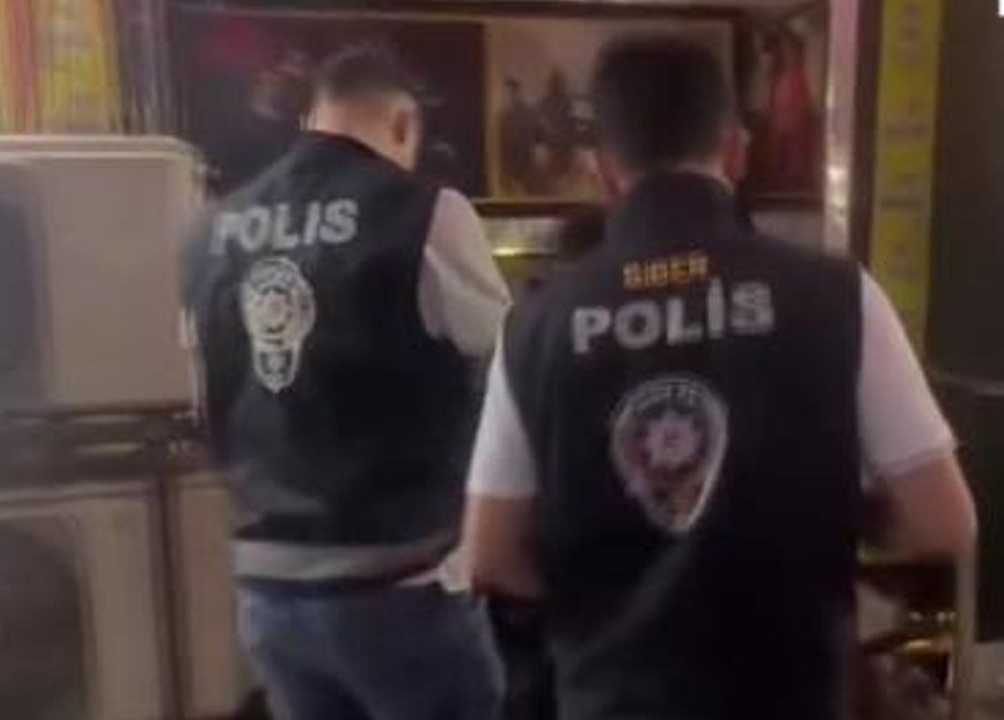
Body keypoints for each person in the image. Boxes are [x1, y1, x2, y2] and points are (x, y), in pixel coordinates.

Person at [463, 36, 977, 720]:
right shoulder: (837, 295)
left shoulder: (534, 325)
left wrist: (604, 611)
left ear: (601, 170)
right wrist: (836, 522)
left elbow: (490, 553)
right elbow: (945, 521)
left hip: (615, 698)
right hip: (792, 694)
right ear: (736, 150)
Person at [181, 45, 508, 720]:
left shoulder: (214, 225)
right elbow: (512, 371)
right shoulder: (426, 212)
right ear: (402, 123)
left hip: (264, 586)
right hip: (399, 581)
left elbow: (201, 381)